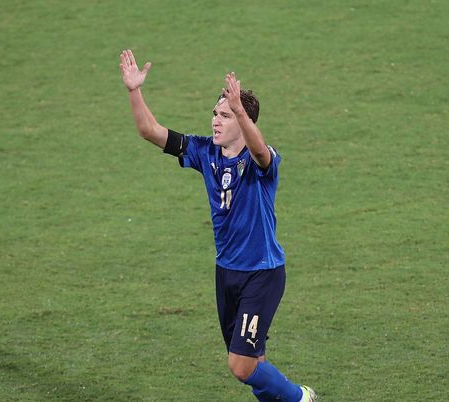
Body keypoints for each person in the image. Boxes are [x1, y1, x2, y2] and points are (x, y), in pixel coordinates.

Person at [119, 49, 316, 402]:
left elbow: (260, 153)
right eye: (215, 113)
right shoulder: (204, 152)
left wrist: (241, 110)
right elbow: (149, 131)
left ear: (243, 122)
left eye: (225, 115)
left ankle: (301, 398)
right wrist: (135, 90)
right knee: (254, 362)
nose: (215, 120)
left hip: (262, 273)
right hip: (226, 274)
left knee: (240, 366)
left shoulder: (262, 162)